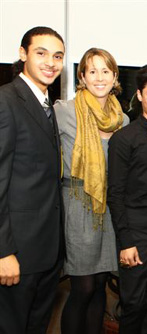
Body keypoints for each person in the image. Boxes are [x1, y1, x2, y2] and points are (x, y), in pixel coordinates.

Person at [54, 48, 129, 334]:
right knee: (83, 286)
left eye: (105, 71)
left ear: (114, 77)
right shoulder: (64, 111)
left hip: (109, 207)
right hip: (77, 204)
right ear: (82, 76)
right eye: (92, 71)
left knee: (100, 286)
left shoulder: (122, 120)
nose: (100, 77)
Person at [0, 26, 65, 334]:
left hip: (45, 252)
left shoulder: (45, 104)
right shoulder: (6, 101)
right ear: (23, 54)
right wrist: (3, 251)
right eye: (41, 53)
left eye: (58, 56)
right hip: (17, 253)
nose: (50, 62)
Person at [107, 64, 147, 334]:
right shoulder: (124, 138)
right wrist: (126, 242)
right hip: (136, 233)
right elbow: (115, 193)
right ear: (140, 96)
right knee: (133, 303)